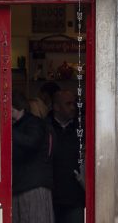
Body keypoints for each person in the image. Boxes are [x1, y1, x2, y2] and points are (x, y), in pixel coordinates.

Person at [11, 93, 54, 223]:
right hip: (23, 185)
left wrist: (7, 130)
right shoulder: (22, 124)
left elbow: (32, 142)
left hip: (32, 186)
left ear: (15, 108)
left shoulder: (34, 123)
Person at [47, 90, 85, 223]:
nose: (73, 107)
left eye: (74, 104)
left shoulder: (82, 128)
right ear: (56, 107)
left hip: (74, 196)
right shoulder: (44, 128)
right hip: (51, 196)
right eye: (68, 104)